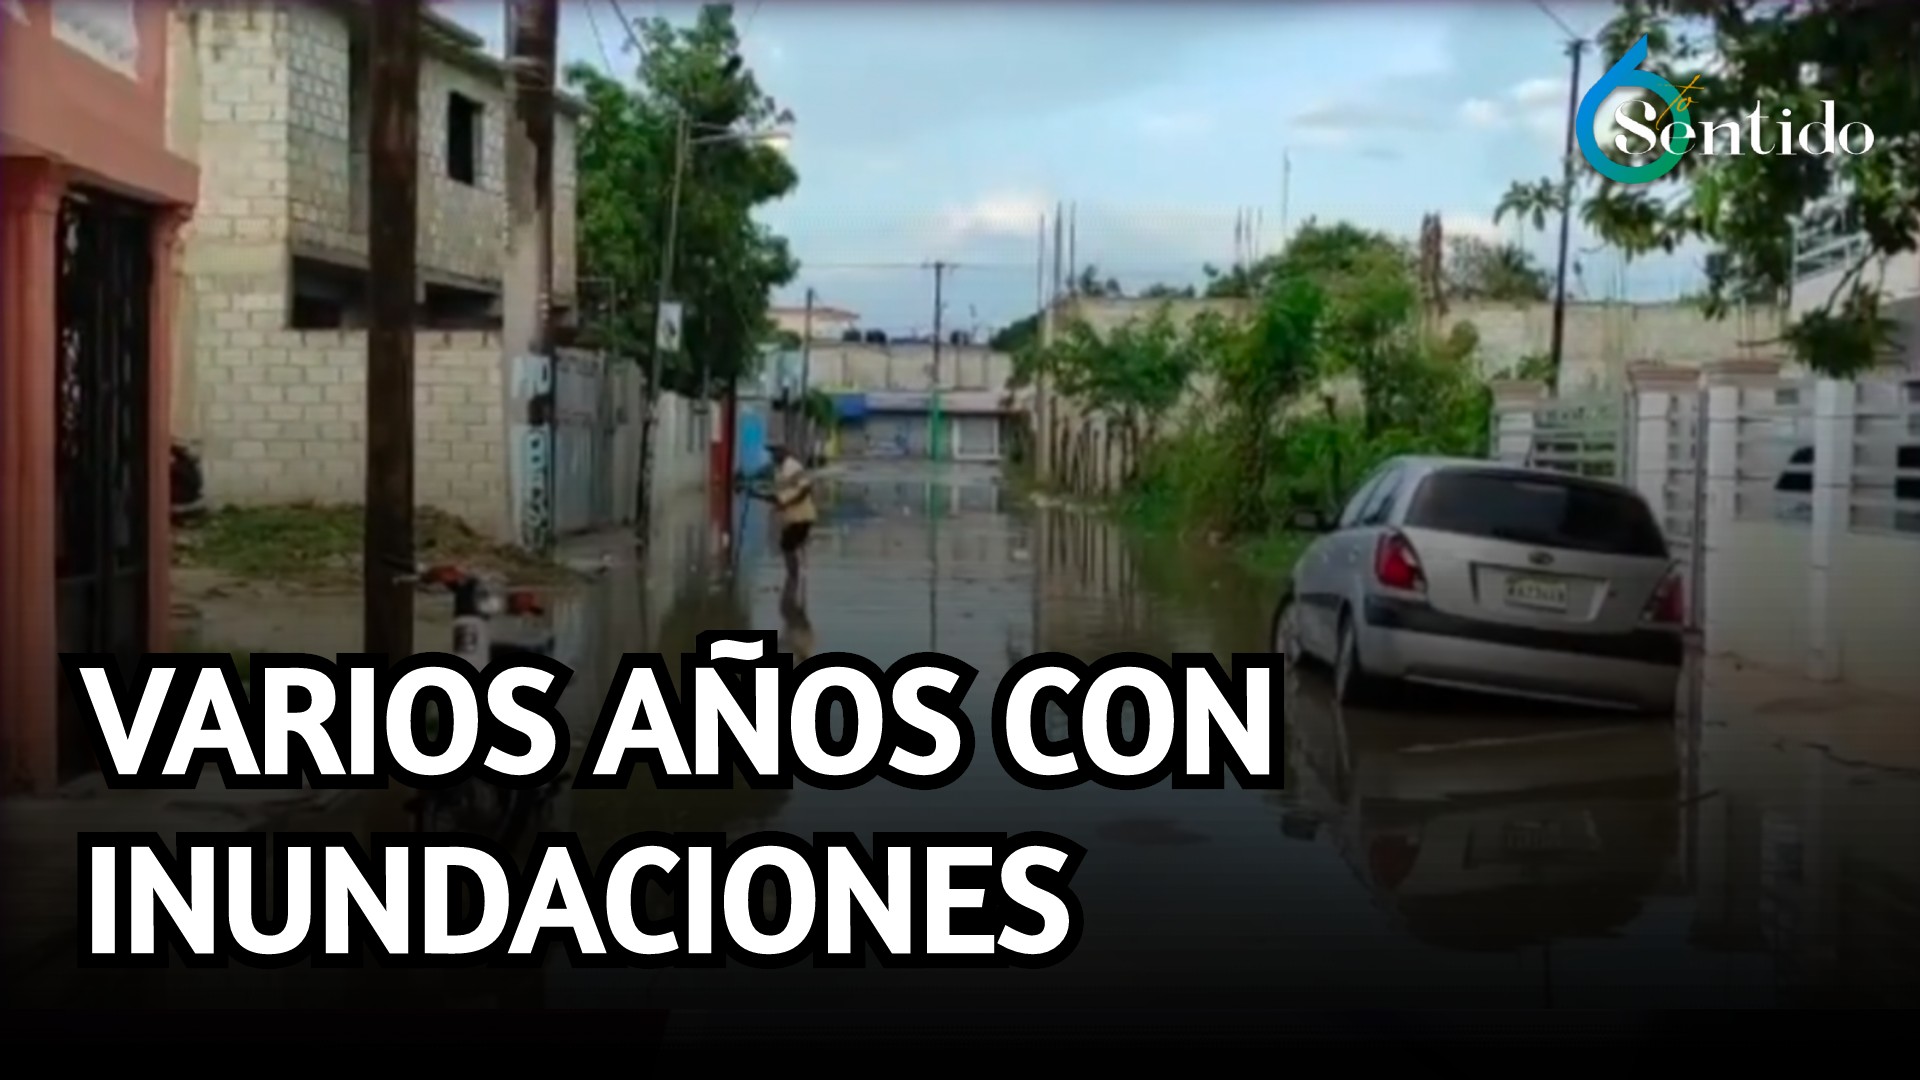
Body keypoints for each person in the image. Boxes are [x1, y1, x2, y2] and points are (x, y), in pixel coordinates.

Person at [763, 443, 817, 585]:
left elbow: (805, 489)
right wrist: (755, 494)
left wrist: (788, 503)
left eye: (775, 452)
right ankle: (796, 577)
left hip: (802, 516)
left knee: (788, 545)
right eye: (771, 453)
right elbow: (780, 494)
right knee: (789, 545)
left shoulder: (793, 466)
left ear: (784, 452)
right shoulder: (779, 470)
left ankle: (794, 578)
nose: (772, 456)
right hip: (792, 517)